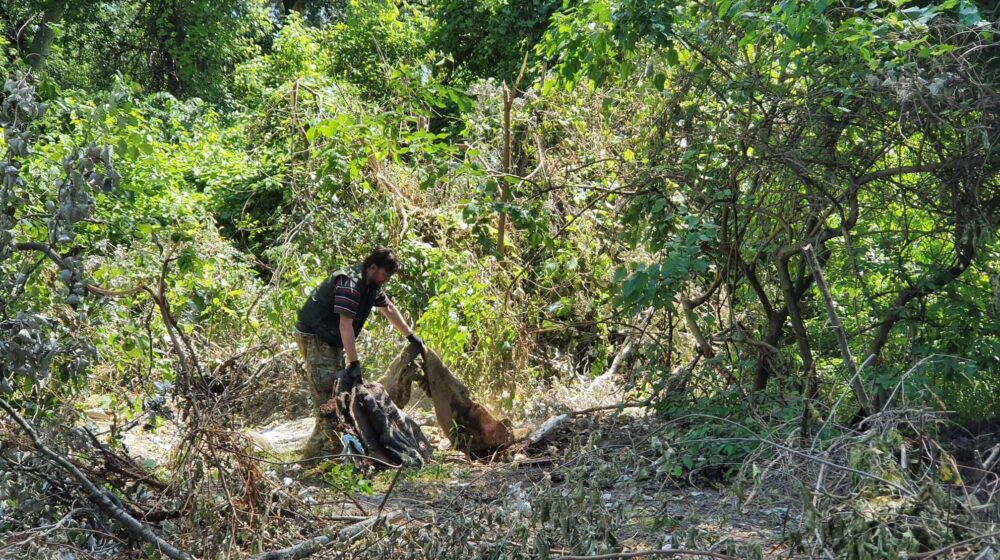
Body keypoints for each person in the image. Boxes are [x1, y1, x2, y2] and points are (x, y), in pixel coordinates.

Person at [294, 247, 424, 459]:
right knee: (329, 395)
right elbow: (345, 325)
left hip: (332, 339)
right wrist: (355, 364)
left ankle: (314, 453)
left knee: (335, 393)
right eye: (385, 275)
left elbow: (388, 308)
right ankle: (329, 453)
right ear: (372, 267)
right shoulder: (351, 286)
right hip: (316, 338)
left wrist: (410, 336)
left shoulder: (371, 284)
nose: (386, 280)